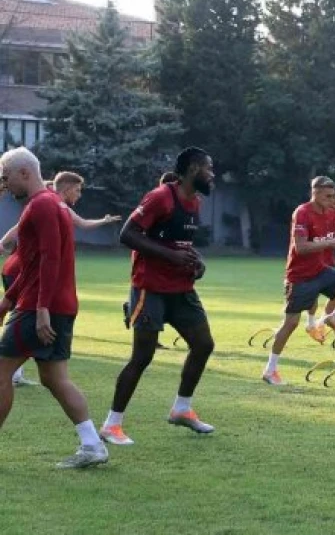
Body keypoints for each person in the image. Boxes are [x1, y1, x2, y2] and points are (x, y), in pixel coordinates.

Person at [100, 148, 218, 445]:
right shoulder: (160, 197)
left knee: (203, 345)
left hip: (181, 289)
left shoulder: (195, 201)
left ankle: (181, 409)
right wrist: (170, 256)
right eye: (208, 168)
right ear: (192, 169)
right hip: (149, 288)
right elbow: (127, 234)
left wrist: (197, 261)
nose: (212, 175)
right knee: (143, 356)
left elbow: (182, 244)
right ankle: (111, 425)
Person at [0, 147, 108, 468]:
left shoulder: (43, 205)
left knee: (1, 371)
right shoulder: (52, 202)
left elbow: (51, 258)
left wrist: (42, 307)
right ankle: (93, 445)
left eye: (7, 178)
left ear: (24, 173)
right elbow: (33, 263)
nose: (5, 186)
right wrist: (8, 300)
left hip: (40, 307)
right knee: (54, 378)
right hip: (54, 304)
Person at [3, 171, 122, 387]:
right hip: (23, 275)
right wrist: (41, 307)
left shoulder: (55, 206)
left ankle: (15, 373)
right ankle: (15, 374)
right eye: (77, 190)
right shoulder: (48, 204)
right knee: (14, 352)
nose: (79, 195)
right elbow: (47, 255)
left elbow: (54, 252)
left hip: (38, 284)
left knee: (53, 378)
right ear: (65, 189)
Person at [263, 176, 335, 385]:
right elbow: (301, 248)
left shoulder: (331, 214)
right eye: (327, 196)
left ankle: (334, 319)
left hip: (321, 270)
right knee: (290, 323)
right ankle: (270, 370)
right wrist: (331, 242)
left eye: (333, 196)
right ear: (314, 192)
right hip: (299, 275)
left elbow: (330, 240)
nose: (331, 201)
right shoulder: (302, 212)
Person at [122, 172, 177, 350]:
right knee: (150, 298)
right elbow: (136, 232)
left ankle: (131, 307)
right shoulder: (158, 200)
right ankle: (133, 310)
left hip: (162, 259)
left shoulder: (174, 203)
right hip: (146, 259)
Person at [306, 186, 335, 330]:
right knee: (313, 294)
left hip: (329, 261)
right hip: (313, 262)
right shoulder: (314, 215)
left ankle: (322, 322)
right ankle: (310, 324)